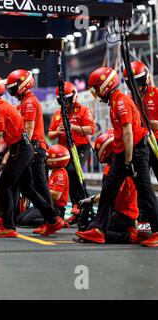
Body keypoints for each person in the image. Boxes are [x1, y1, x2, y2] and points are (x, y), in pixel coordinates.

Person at [76, 67, 158, 247]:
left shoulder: (121, 103)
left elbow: (128, 133)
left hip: (134, 151)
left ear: (105, 86)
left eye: (96, 88)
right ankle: (98, 230)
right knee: (108, 190)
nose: (96, 93)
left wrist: (129, 160)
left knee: (145, 192)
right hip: (124, 153)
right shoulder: (115, 102)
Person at [0, 74, 65, 238]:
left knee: (4, 186)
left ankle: (8, 226)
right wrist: (1, 155)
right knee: (28, 189)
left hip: (22, 149)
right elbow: (12, 135)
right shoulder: (4, 106)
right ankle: (53, 219)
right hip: (23, 148)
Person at [77, 131, 150, 244]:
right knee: (89, 228)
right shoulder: (114, 167)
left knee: (96, 231)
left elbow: (110, 194)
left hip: (124, 215)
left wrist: (91, 200)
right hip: (117, 212)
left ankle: (129, 235)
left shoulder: (119, 170)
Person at [49, 82, 95, 218]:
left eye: (67, 100)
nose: (65, 104)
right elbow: (50, 134)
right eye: (61, 101)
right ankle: (72, 204)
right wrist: (57, 131)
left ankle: (80, 203)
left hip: (81, 146)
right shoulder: (57, 114)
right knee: (65, 175)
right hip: (64, 150)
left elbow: (91, 129)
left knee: (74, 171)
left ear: (74, 97)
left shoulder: (84, 110)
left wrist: (72, 127)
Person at [6, 69, 52, 206]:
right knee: (28, 186)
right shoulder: (25, 102)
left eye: (13, 88)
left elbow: (29, 129)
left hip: (35, 148)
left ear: (22, 85)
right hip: (33, 147)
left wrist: (23, 149)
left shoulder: (29, 102)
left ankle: (52, 218)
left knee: (39, 185)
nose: (11, 91)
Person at [16, 144, 70, 227]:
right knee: (19, 219)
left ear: (55, 160)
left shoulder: (60, 175)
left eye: (48, 157)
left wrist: (37, 191)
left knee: (27, 220)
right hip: (45, 203)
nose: (46, 159)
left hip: (55, 208)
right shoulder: (54, 172)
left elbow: (56, 195)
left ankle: (57, 221)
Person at [123, 61, 158, 180]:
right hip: (140, 146)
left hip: (156, 142)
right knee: (142, 182)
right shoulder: (128, 100)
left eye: (138, 82)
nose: (136, 87)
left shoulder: (156, 93)